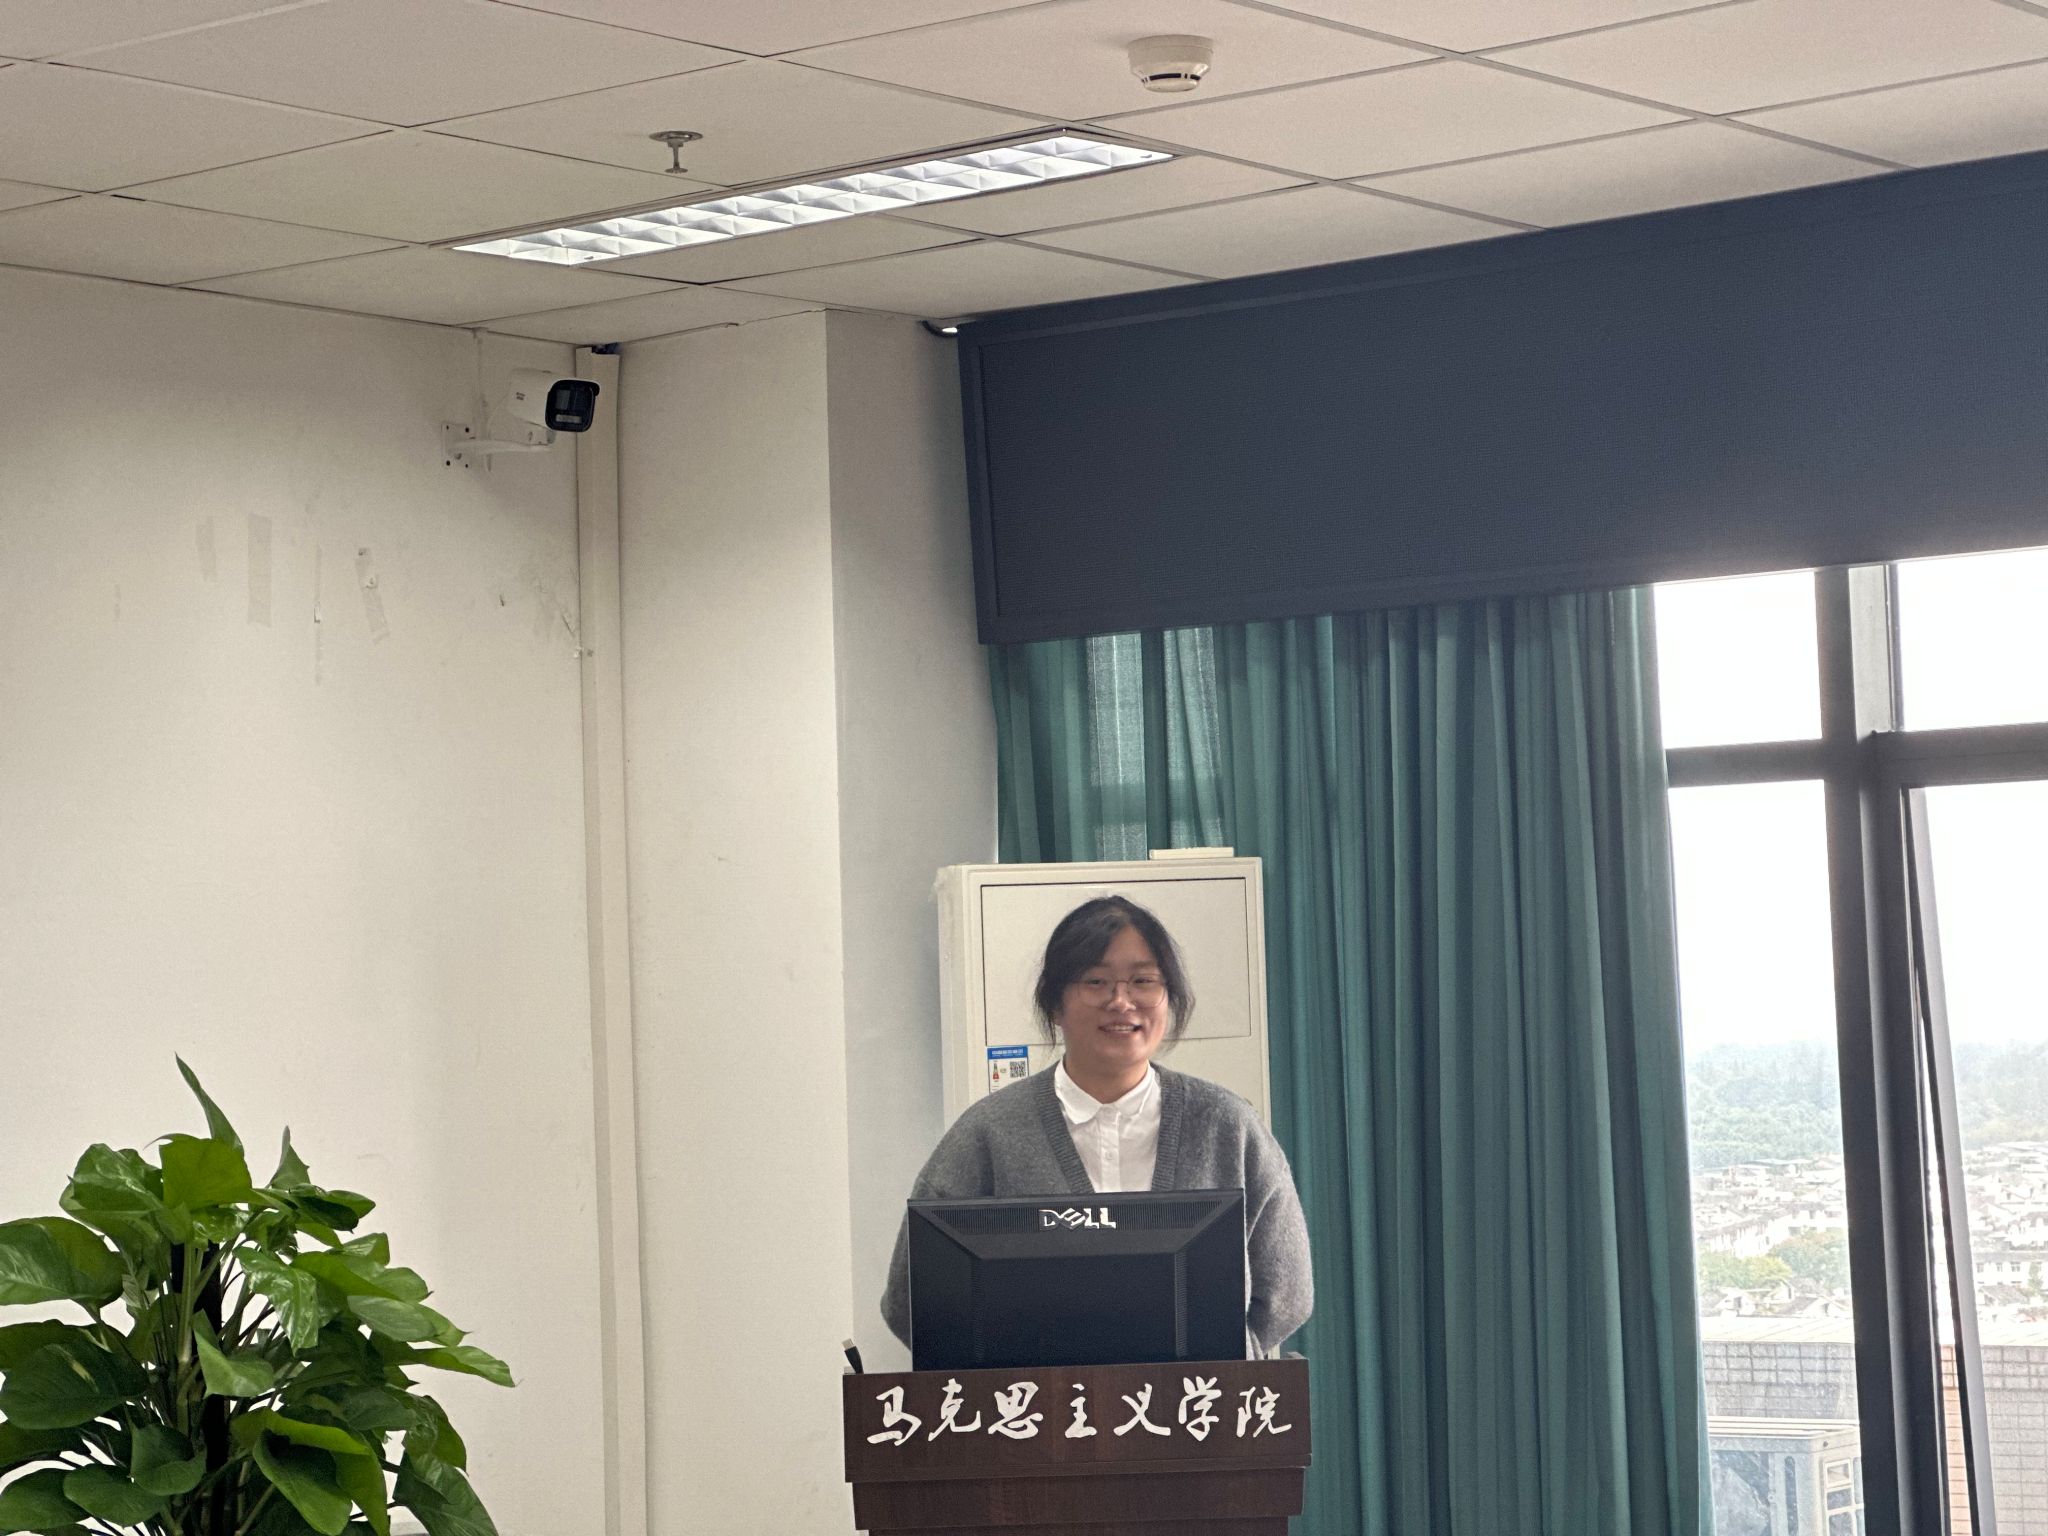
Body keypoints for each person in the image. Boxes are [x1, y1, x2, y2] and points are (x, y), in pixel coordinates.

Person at [882, 894, 1312, 1357]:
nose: (1121, 1001)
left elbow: (1286, 1295)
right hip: (1039, 1402)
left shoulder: (1227, 1126)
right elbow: (911, 1303)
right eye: (1096, 981)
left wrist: (1223, 1361)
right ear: (1055, 1004)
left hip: (1197, 1400)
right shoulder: (987, 1133)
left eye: (1143, 981)